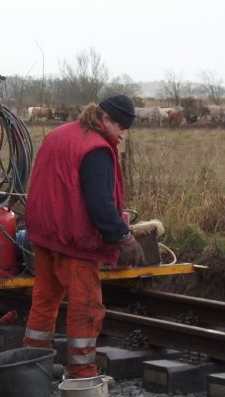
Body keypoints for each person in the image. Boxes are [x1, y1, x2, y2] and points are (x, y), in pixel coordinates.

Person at [22, 94, 146, 379]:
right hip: (74, 240)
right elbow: (100, 203)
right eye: (121, 128)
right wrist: (123, 237)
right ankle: (82, 373)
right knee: (86, 307)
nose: (122, 135)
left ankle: (33, 366)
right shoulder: (97, 149)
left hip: (44, 233)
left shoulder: (59, 134)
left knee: (44, 300)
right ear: (105, 120)